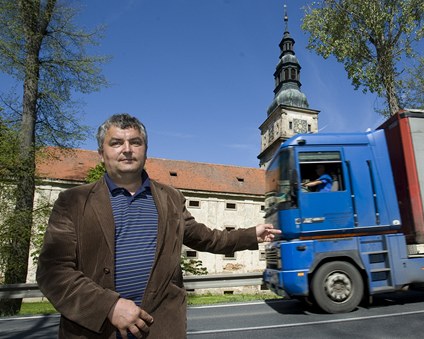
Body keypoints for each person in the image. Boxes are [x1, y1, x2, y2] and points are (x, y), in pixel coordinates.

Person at [36, 114, 280, 339]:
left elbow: (207, 238)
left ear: (145, 151)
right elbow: (53, 271)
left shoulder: (169, 198)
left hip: (160, 327)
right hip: (94, 329)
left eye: (135, 142)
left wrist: (251, 235)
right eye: (116, 143)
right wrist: (108, 306)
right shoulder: (74, 201)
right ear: (101, 152)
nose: (127, 149)